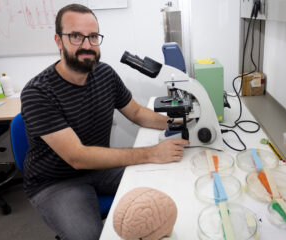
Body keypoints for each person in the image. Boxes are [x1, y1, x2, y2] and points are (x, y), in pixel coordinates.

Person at [20, 4, 189, 240]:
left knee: (166, 186)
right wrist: (152, 153)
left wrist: (186, 123)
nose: (87, 45)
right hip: (56, 183)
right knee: (90, 236)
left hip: (100, 168)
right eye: (76, 37)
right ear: (59, 41)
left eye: (92, 37)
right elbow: (77, 157)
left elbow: (138, 113)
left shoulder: (105, 74)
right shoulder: (38, 92)